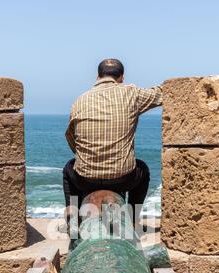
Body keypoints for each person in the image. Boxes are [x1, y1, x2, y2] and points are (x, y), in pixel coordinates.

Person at [63, 58, 162, 224]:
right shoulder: (132, 93)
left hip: (85, 179)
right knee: (143, 170)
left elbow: (71, 138)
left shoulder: (80, 100)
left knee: (68, 169)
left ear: (97, 76)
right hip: (122, 178)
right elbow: (162, 94)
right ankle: (131, 220)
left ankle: (73, 221)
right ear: (121, 77)